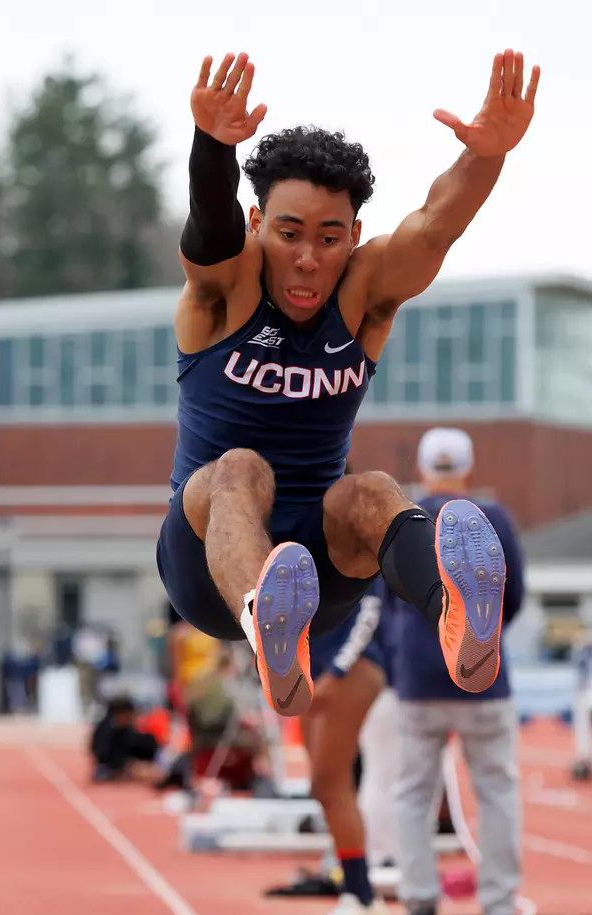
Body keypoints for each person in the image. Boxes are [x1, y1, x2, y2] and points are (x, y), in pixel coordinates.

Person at [158, 49, 541, 720]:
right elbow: (211, 225)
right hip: (206, 558)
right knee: (239, 468)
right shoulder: (228, 289)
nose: (309, 257)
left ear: (355, 236)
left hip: (319, 569)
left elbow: (435, 224)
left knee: (371, 490)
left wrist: (487, 156)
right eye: (290, 233)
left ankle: (454, 614)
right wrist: (213, 144)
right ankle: (264, 617)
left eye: (330, 238)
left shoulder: (363, 293)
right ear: (258, 227)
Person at [385, 428, 527, 915]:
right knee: (497, 792)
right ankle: (500, 909)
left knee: (411, 795)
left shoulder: (401, 523)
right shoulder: (498, 520)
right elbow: (513, 600)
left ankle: (420, 906)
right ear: (467, 468)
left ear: (423, 470)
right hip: (485, 682)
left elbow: (383, 601)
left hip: (418, 678)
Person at [302, 576, 392, 915]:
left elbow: (371, 609)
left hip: (350, 668)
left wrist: (337, 670)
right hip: (314, 669)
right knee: (326, 789)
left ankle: (360, 895)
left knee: (330, 782)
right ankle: (355, 890)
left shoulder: (343, 529)